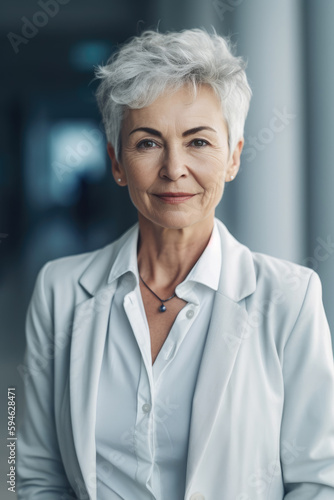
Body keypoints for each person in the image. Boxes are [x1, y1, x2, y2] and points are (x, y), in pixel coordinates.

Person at [17, 29, 334, 500]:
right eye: (148, 143)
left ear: (233, 157)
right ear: (117, 162)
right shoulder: (59, 290)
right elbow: (28, 470)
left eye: (199, 142)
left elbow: (318, 479)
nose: (174, 168)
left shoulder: (290, 297)